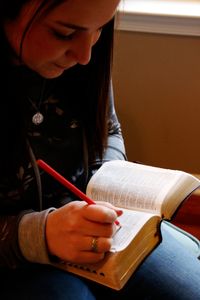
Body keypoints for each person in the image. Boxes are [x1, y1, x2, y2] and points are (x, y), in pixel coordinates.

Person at [0, 0, 200, 299]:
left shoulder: (84, 59)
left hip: (94, 224)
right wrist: (39, 234)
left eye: (100, 29)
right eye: (64, 34)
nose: (85, 56)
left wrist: (108, 179)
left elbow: (107, 129)